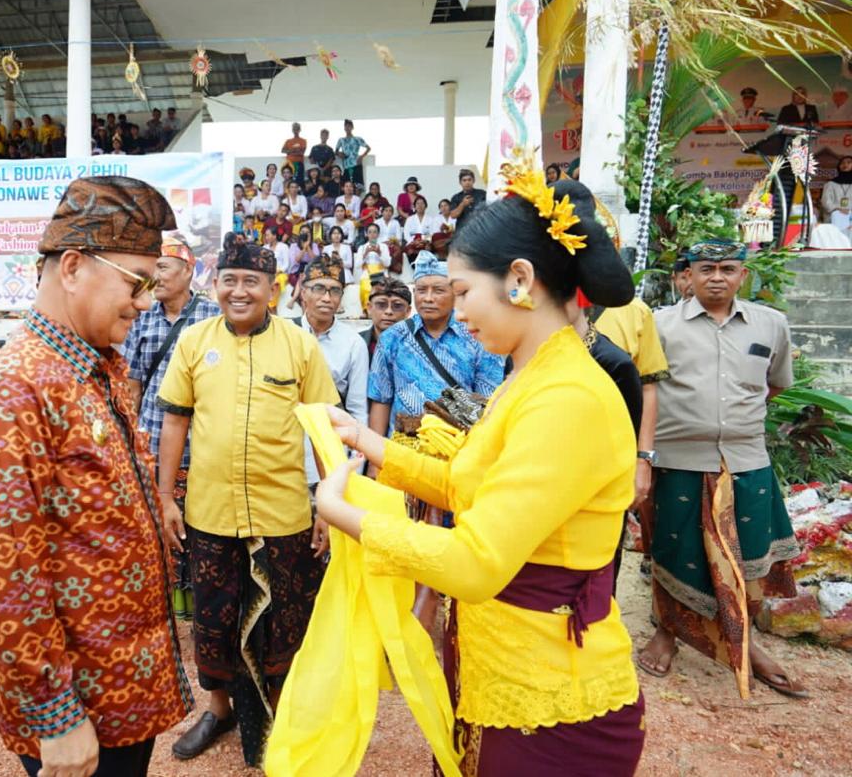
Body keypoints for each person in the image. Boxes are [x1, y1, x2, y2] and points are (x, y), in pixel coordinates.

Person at [314, 169, 644, 774]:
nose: (457, 310)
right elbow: (469, 485)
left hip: (549, 695)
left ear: (519, 279)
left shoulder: (567, 397)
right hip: (500, 663)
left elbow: (474, 560)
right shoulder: (527, 376)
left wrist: (347, 516)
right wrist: (367, 441)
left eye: (463, 292)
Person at [0, 177, 194, 777]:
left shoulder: (97, 367)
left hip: (119, 683)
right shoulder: (14, 388)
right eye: (136, 284)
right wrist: (53, 715)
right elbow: (7, 573)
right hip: (79, 703)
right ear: (75, 267)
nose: (142, 302)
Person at [156, 236, 338, 768]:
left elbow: (324, 427)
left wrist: (327, 503)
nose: (239, 291)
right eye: (229, 279)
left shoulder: (300, 345)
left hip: (282, 514)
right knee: (213, 617)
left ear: (273, 290)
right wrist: (167, 496)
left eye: (251, 281)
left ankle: (283, 716)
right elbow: (174, 421)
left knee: (285, 619)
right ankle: (217, 709)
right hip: (210, 512)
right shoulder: (193, 341)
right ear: (215, 285)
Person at [639, 239, 806, 699]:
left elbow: (774, 386)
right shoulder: (660, 325)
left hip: (745, 460)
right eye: (706, 268)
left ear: (742, 276)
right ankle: (668, 634)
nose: (717, 277)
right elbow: (643, 390)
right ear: (687, 275)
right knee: (674, 550)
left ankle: (745, 641)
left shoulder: (771, 325)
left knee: (749, 556)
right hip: (678, 459)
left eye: (727, 268)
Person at [124, 236, 219, 621]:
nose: (155, 277)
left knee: (200, 527)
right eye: (151, 270)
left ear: (188, 271)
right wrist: (130, 438)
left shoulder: (212, 317)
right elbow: (131, 385)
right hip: (151, 437)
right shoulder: (141, 316)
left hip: (202, 443)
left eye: (162, 268)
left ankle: (199, 608)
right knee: (155, 525)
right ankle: (162, 605)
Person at [367, 250, 503, 438]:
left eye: (438, 290)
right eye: (421, 290)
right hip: (402, 450)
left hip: (457, 449)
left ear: (455, 294)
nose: (428, 298)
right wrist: (376, 462)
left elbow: (488, 406)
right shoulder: (392, 338)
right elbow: (381, 400)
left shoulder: (478, 337)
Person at [296, 255, 370, 490]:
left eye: (335, 291)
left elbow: (358, 411)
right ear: (303, 290)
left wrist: (353, 468)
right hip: (284, 461)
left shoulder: (352, 343)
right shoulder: (285, 332)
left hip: (330, 462)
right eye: (319, 288)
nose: (327, 298)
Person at [593, 296, 670, 513]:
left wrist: (643, 459)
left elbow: (648, 387)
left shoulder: (634, 310)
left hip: (611, 454)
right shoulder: (530, 301)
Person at [361, 277, 412, 359]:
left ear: (408, 311)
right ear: (369, 308)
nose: (388, 311)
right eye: (381, 305)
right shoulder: (354, 343)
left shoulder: (419, 346)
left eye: (397, 306)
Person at [821, 155, 852, 239]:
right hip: (835, 215)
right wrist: (837, 209)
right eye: (842, 163)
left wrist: (849, 212)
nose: (845, 164)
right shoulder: (830, 184)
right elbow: (825, 201)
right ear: (839, 166)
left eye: (849, 162)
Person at [335, 119, 370, 188]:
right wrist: (340, 154)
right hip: (346, 166)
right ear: (344, 128)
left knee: (358, 186)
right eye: (346, 126)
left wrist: (361, 156)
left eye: (349, 126)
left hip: (356, 164)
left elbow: (368, 148)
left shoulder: (357, 139)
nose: (347, 128)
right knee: (347, 186)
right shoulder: (341, 140)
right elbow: (336, 151)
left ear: (352, 127)